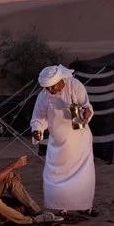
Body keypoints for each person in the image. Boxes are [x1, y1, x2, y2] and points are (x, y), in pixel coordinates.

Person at [0, 125, 62, 225]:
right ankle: (30, 220)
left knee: (10, 176)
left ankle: (37, 212)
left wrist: (8, 173)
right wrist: (13, 166)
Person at [30, 64, 96, 213]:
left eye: (52, 87)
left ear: (60, 80)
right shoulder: (44, 95)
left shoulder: (75, 86)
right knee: (53, 177)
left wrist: (85, 113)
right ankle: (59, 208)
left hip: (79, 143)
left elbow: (87, 107)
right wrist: (37, 130)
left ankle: (85, 207)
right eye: (47, 88)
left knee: (82, 177)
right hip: (58, 145)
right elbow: (38, 118)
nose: (50, 90)